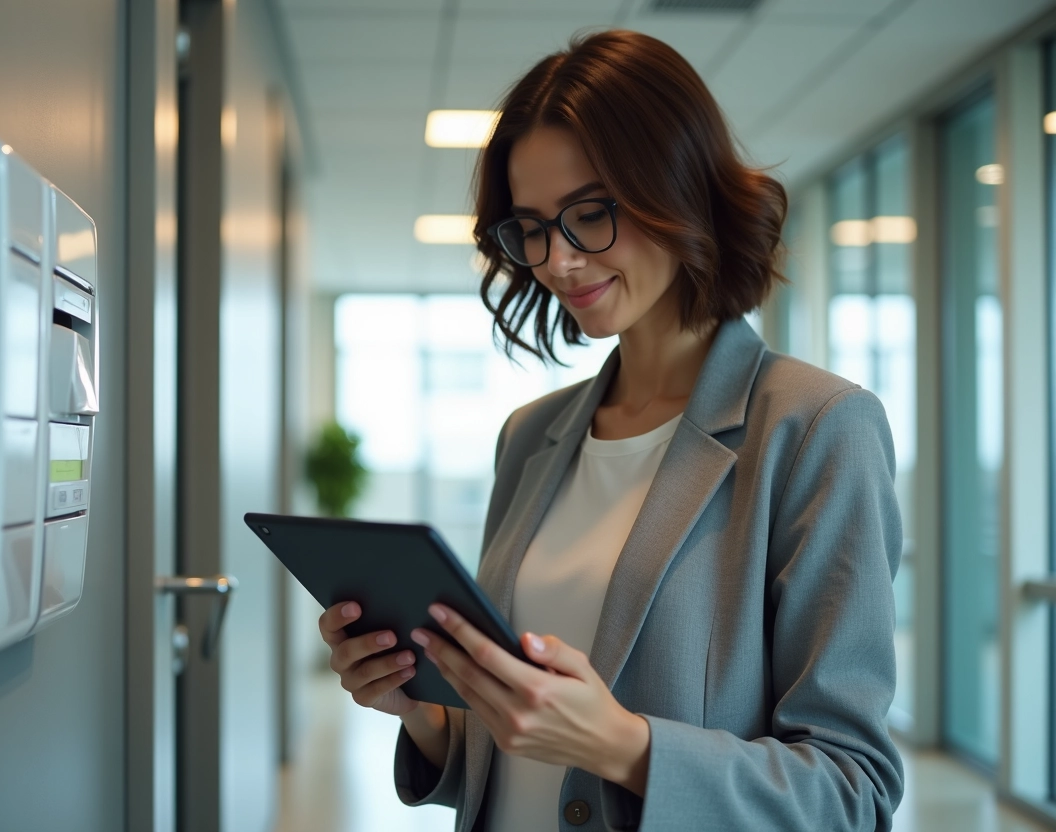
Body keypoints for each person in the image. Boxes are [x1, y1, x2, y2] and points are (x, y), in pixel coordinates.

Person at [317, 28, 903, 832]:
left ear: (679, 188)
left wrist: (625, 747)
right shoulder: (530, 437)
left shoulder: (815, 429)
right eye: (531, 229)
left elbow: (854, 792)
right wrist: (418, 710)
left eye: (589, 214)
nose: (557, 261)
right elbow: (513, 755)